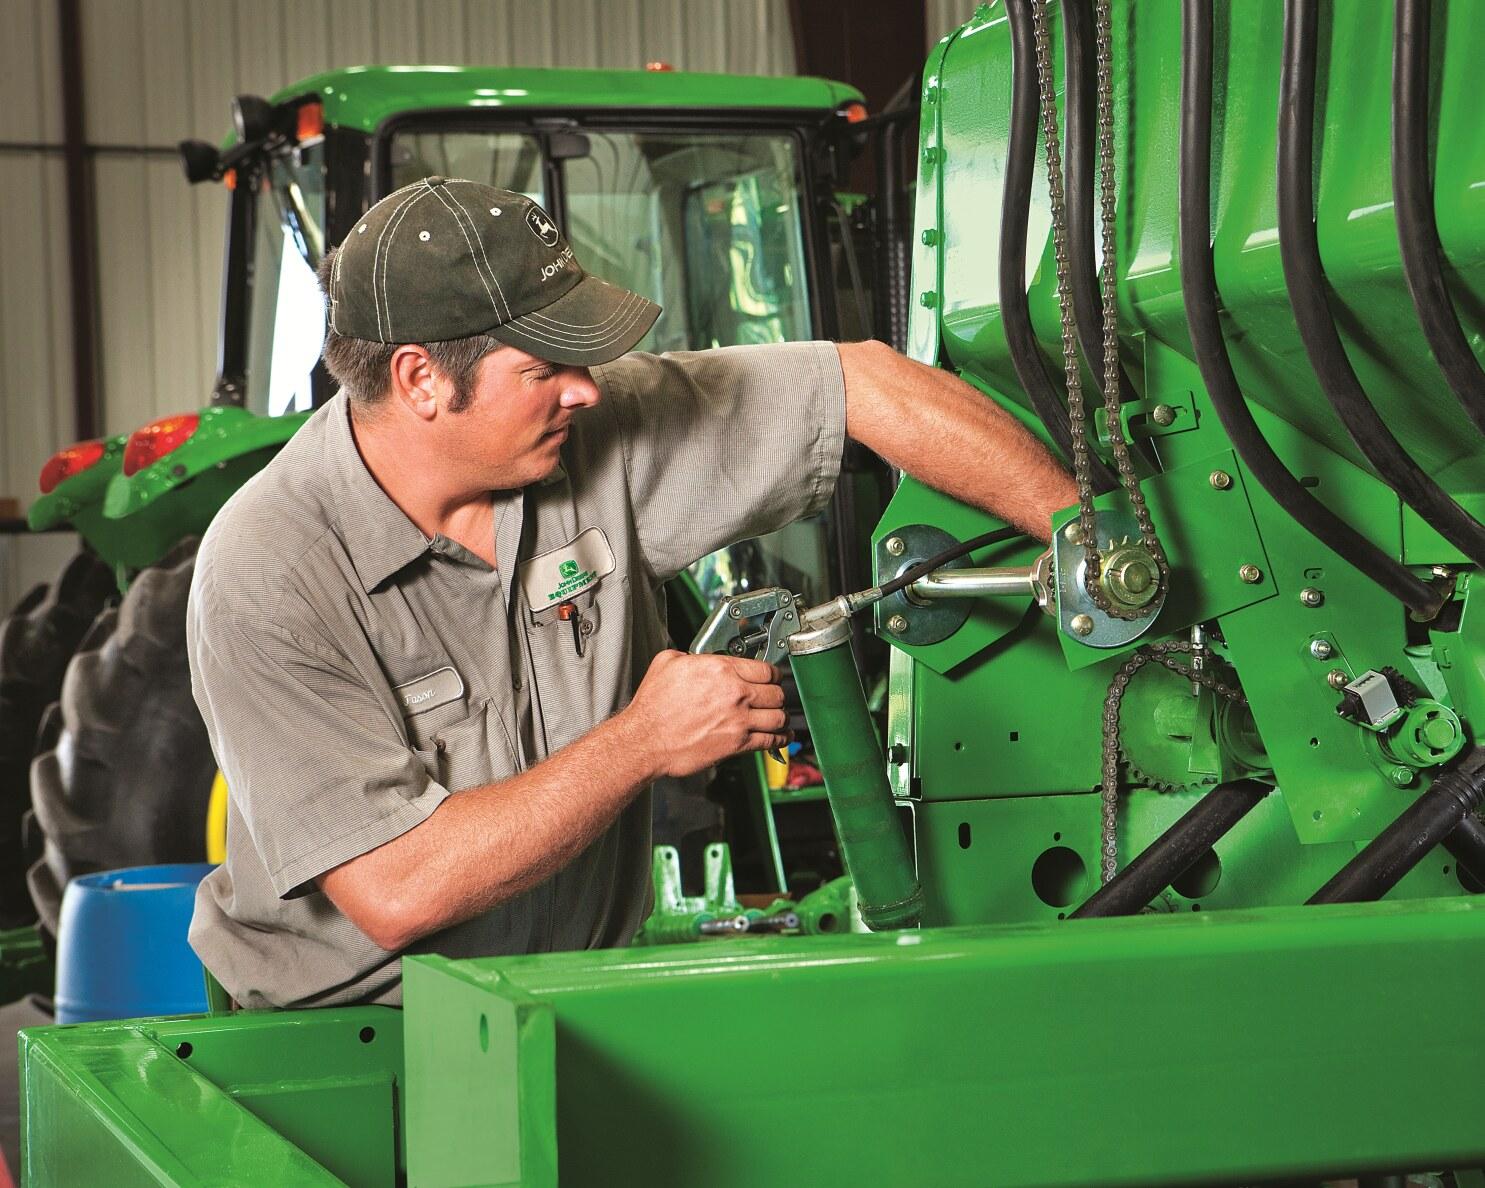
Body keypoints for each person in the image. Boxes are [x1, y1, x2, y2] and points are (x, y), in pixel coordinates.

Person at [186, 177, 1077, 1008]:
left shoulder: (586, 436)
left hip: (568, 993)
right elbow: (397, 888)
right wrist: (645, 740)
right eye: (541, 368)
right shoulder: (270, 572)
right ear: (421, 379)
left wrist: (1088, 533)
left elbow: (860, 382)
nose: (582, 389)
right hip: (352, 1028)